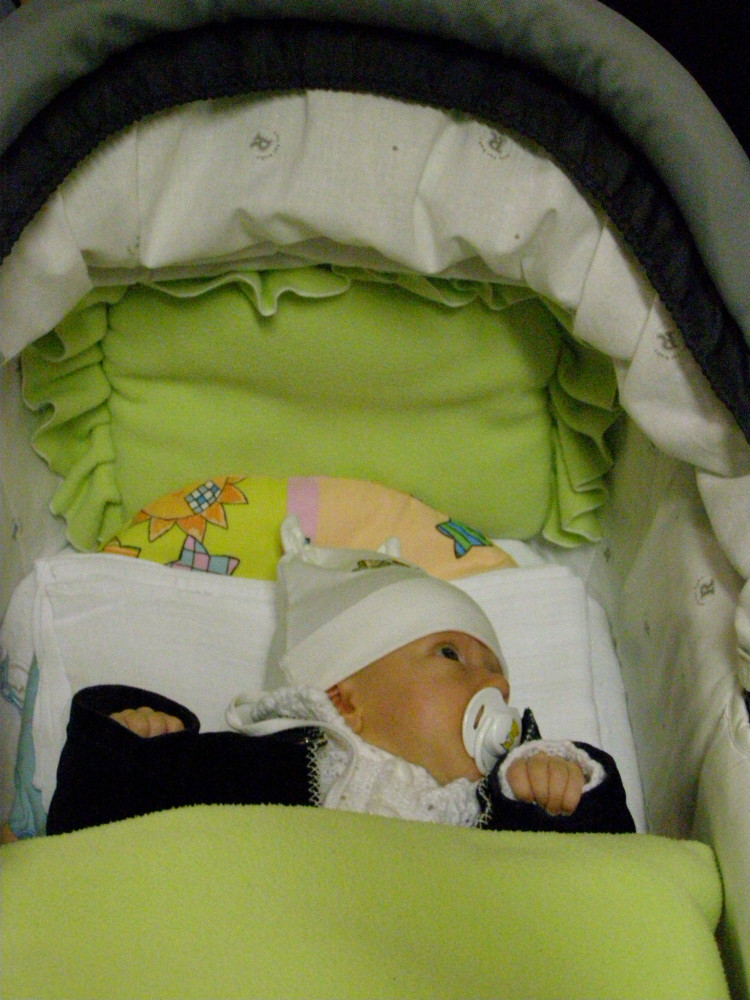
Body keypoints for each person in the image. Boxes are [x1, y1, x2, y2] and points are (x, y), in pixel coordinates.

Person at [46, 520, 635, 835]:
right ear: (344, 699)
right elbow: (95, 825)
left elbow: (593, 890)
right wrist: (124, 747)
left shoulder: (502, 805)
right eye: (449, 654)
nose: (490, 685)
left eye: (498, 675)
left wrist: (565, 787)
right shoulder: (271, 765)